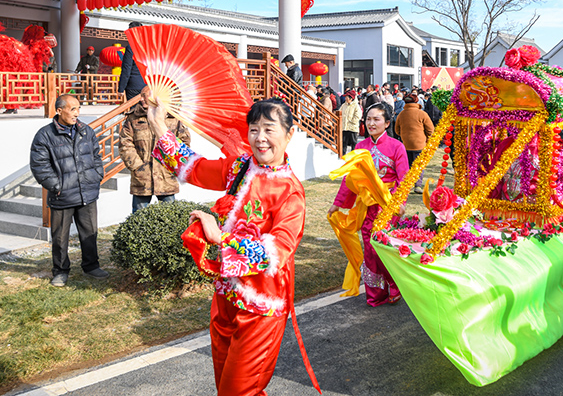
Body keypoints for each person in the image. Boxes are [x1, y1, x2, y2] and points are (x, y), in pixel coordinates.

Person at [145, 94, 318, 395]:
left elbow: (275, 253)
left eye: (268, 129)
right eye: (253, 129)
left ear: (289, 135)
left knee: (237, 392)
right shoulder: (241, 167)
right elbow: (193, 167)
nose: (260, 138)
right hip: (225, 297)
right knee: (226, 387)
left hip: (261, 307)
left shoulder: (290, 192)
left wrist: (220, 236)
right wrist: (158, 123)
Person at [328, 103, 408, 306]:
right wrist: (338, 204)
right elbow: (350, 179)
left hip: (387, 206)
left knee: (384, 249)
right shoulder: (361, 147)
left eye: (376, 119)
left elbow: (404, 179)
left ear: (387, 123)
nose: (371, 123)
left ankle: (395, 285)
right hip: (365, 207)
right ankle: (376, 294)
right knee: (370, 251)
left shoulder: (396, 147)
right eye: (368, 119)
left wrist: (398, 202)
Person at [29, 94, 109, 287]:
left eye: (79, 108)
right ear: (59, 111)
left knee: (89, 232)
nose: (77, 113)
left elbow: (96, 155)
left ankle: (91, 265)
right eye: (73, 109)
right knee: (60, 237)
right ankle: (60, 271)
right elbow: (39, 165)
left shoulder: (86, 131)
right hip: (62, 195)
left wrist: (97, 175)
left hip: (87, 193)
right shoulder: (45, 135)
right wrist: (57, 186)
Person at [119, 100, 191, 213]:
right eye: (141, 96)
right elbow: (125, 144)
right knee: (139, 217)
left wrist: (172, 165)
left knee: (169, 216)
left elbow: (183, 143)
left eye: (146, 96)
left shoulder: (173, 118)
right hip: (142, 178)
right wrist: (137, 166)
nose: (142, 99)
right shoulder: (133, 118)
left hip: (166, 176)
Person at [394, 94, 434, 193]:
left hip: (406, 144)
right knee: (419, 166)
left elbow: (396, 130)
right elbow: (431, 130)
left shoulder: (401, 114)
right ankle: (418, 185)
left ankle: (407, 185)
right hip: (420, 144)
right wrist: (426, 137)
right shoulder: (422, 114)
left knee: (407, 166)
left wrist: (403, 135)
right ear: (416, 101)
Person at [118, 22, 146, 100]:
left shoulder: (131, 47)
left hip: (134, 86)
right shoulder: (148, 48)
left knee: (134, 111)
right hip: (147, 85)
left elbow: (126, 68)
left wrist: (121, 88)